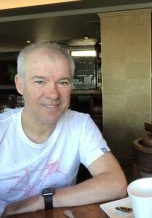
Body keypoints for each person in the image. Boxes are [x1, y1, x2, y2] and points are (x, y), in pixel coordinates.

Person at [0, 42, 127, 216]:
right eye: (40, 81)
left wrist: (42, 200)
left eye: (62, 82)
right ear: (19, 84)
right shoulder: (3, 129)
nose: (53, 94)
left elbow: (116, 183)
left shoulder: (80, 124)